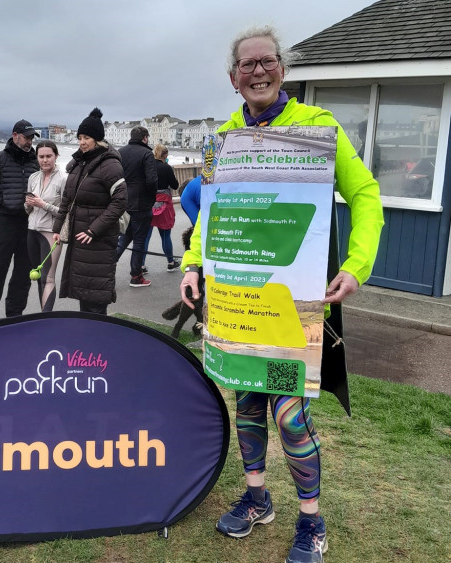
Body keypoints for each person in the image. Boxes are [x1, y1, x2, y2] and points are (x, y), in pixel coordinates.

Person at [179, 26, 383, 563]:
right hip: (236, 301)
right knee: (247, 403)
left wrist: (358, 266)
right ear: (233, 78)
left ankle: (311, 523)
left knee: (290, 417)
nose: (258, 72)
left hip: (294, 302)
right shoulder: (218, 141)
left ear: (282, 70)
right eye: (247, 65)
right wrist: (193, 262)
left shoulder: (318, 128)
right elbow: (211, 215)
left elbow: (365, 195)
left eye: (266, 61)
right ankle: (256, 498)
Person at [53, 108, 126, 314]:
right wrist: (58, 228)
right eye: (80, 137)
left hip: (97, 239)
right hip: (80, 237)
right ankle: (87, 337)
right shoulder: (79, 163)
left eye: (87, 138)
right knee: (84, 290)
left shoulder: (109, 164)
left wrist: (94, 230)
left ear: (98, 140)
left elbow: (120, 202)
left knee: (95, 293)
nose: (82, 142)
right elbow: (67, 199)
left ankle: (97, 339)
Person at [0, 119, 40, 321]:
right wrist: (4, 202)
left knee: (23, 275)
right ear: (15, 136)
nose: (29, 141)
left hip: (29, 225)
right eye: (26, 137)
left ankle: (14, 316)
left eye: (31, 137)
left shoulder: (36, 161)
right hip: (4, 223)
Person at [25, 140, 66, 311]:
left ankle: (46, 319)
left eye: (49, 156)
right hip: (32, 232)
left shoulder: (64, 179)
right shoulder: (33, 177)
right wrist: (28, 204)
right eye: (41, 156)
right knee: (38, 276)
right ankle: (42, 314)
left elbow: (66, 212)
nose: (45, 160)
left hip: (51, 233)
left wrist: (44, 205)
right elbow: (27, 210)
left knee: (48, 278)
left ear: (56, 156)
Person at [115, 126, 157, 287]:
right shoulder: (147, 153)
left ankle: (108, 266)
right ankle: (136, 276)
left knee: (124, 236)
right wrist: (151, 197)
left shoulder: (120, 152)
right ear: (145, 138)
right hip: (142, 203)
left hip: (123, 201)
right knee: (139, 240)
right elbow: (152, 180)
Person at [142, 144, 180, 272]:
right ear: (165, 155)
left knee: (146, 236)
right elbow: (175, 185)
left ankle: (141, 265)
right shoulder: (166, 168)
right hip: (164, 203)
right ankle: (170, 262)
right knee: (165, 235)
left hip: (149, 203)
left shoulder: (147, 167)